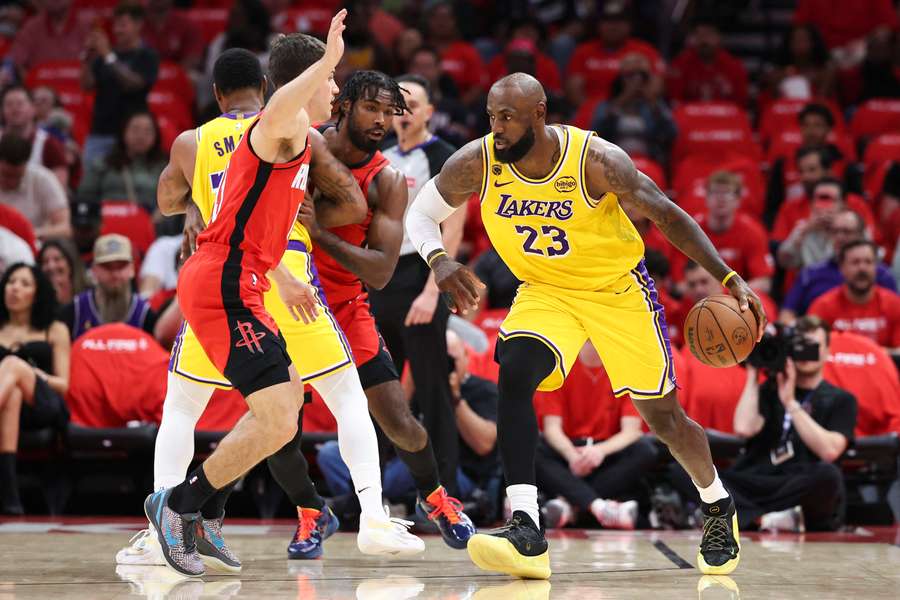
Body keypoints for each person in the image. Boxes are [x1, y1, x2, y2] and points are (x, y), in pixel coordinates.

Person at [405, 72, 766, 579]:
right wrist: (438, 258)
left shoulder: (596, 161)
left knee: (664, 420)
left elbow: (667, 214)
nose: (497, 128)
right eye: (491, 117)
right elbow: (420, 213)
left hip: (617, 291)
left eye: (507, 117)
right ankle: (527, 526)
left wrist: (728, 276)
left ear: (539, 113)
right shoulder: (477, 161)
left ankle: (716, 503)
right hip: (546, 291)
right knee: (513, 368)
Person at [142, 15, 422, 578]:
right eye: (332, 81)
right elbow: (281, 103)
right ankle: (179, 506)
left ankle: (204, 509)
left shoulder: (299, 139)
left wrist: (281, 273)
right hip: (225, 283)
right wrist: (325, 57)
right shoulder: (279, 128)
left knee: (284, 406)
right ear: (302, 83)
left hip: (249, 278)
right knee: (273, 418)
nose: (338, 92)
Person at [304, 69, 476, 546]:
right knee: (276, 419)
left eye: (389, 111)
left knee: (399, 417)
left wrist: (318, 233)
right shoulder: (303, 144)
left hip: (350, 299)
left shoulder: (392, 178)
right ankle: (309, 512)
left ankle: (436, 496)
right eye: (372, 109)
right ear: (343, 106)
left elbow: (379, 271)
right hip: (287, 300)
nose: (383, 119)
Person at [372, 73, 466, 497]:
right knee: (376, 391)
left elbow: (453, 230)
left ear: (429, 112)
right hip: (381, 276)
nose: (404, 112)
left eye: (413, 104)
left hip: (422, 275)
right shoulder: (380, 155)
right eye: (398, 104)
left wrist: (432, 292)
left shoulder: (445, 157)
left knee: (432, 392)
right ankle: (371, 497)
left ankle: (443, 496)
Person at [317, 330, 501, 522]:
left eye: (448, 358)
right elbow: (390, 424)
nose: (441, 363)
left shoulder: (482, 389)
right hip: (401, 464)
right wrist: (413, 378)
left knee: (416, 463)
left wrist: (454, 397)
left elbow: (485, 444)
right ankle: (374, 502)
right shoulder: (418, 386)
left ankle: (365, 499)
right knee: (330, 454)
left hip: (456, 473)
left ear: (465, 356)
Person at [729, 316, 856, 532]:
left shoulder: (841, 399)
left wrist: (790, 403)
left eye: (812, 347)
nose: (804, 353)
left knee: (828, 475)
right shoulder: (768, 390)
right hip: (762, 479)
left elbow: (830, 451)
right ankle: (768, 519)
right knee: (688, 471)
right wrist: (753, 372)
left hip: (800, 482)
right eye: (798, 346)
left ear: (826, 352)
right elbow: (743, 428)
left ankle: (743, 515)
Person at [534, 342, 657, 530]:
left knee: (646, 450)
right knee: (533, 447)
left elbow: (632, 431)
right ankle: (600, 507)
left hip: (608, 452)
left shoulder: (626, 368)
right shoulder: (558, 366)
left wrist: (599, 451)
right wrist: (572, 456)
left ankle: (571, 505)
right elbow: (552, 428)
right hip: (569, 451)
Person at [0, 263, 70, 515]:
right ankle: (10, 497)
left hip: (43, 404)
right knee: (13, 393)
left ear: (37, 293)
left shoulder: (54, 329)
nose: (15, 288)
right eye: (11, 282)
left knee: (12, 365)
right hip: (9, 403)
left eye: (24, 284)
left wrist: (33, 373)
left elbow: (63, 384)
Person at [780, 209, 896, 322]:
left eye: (847, 231)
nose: (840, 237)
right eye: (835, 231)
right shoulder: (810, 274)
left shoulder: (881, 274)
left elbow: (895, 312)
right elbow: (787, 314)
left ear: (861, 234)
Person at [80, 1, 159, 165]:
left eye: (123, 25)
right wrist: (87, 59)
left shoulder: (147, 55)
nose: (117, 30)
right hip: (101, 131)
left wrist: (108, 55)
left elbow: (134, 84)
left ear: (138, 25)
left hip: (132, 135)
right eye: (115, 25)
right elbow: (87, 85)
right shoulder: (104, 56)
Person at [673, 171, 773, 293]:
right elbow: (679, 284)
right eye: (715, 192)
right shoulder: (690, 230)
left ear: (738, 200)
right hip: (698, 296)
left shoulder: (752, 231)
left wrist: (725, 294)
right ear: (706, 198)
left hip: (737, 299)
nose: (721, 199)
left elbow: (763, 282)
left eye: (727, 193)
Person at [808, 240, 900, 356]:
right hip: (837, 371)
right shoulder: (823, 306)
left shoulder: (894, 304)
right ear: (841, 268)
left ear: (876, 267)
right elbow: (811, 351)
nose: (862, 268)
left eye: (868, 262)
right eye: (855, 262)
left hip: (883, 371)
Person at [565, 1, 664, 108]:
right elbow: (573, 92)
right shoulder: (583, 52)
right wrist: (592, 113)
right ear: (598, 25)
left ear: (630, 25)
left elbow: (656, 88)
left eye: (619, 21)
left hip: (634, 112)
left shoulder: (645, 50)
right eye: (608, 21)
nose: (613, 27)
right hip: (594, 111)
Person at [59, 234, 157, 341]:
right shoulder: (75, 312)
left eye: (121, 266)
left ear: (132, 269)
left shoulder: (145, 314)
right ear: (94, 270)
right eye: (107, 266)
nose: (115, 274)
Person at [591, 53, 676, 166]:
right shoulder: (607, 105)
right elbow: (596, 133)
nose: (637, 80)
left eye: (642, 76)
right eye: (630, 76)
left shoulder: (655, 105)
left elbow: (671, 133)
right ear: (621, 79)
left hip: (648, 162)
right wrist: (623, 99)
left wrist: (653, 104)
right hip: (614, 161)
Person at [77, 110, 167, 215]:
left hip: (152, 227)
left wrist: (158, 218)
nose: (141, 136)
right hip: (108, 223)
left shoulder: (165, 169)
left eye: (148, 131)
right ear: (123, 131)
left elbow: (174, 204)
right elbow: (84, 199)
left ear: (156, 136)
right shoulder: (102, 164)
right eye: (135, 130)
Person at [0, 133, 70, 240]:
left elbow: (65, 228)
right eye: (6, 175)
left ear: (26, 165)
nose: (12, 181)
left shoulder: (42, 179)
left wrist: (30, 234)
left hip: (32, 246)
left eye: (17, 176)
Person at [667, 18, 749, 105]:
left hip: (723, 117)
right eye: (699, 35)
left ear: (719, 38)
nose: (704, 40)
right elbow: (675, 101)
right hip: (689, 116)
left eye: (709, 35)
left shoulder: (734, 66)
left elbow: (740, 104)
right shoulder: (680, 64)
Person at [0, 85, 68, 188]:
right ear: (2, 111)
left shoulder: (49, 143)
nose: (14, 109)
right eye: (9, 104)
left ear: (33, 108)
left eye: (20, 104)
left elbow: (59, 188)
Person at [6, 0, 90, 77]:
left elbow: (97, 66)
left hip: (79, 90)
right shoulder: (31, 27)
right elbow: (15, 61)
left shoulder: (87, 26)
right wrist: (29, 84)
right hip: (40, 90)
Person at [37, 238, 85, 304]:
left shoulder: (88, 298)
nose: (51, 266)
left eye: (57, 259)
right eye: (45, 261)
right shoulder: (37, 303)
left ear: (71, 264)